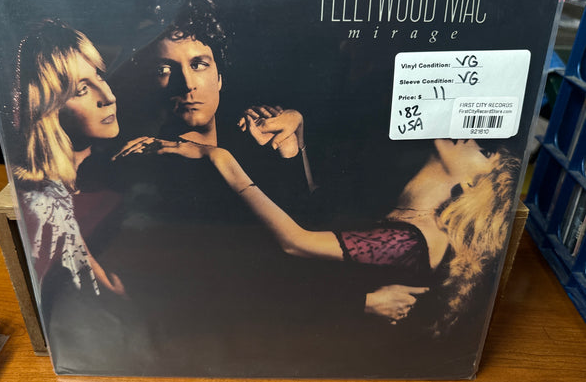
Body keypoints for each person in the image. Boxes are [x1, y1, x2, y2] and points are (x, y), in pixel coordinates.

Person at [117, 137, 520, 337]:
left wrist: (219, 157)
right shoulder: (410, 220)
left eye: (485, 149)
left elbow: (294, 241)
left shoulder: (413, 240)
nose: (471, 136)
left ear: (475, 184)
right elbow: (315, 220)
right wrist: (297, 141)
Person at [11, 19, 150, 374]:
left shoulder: (110, 179)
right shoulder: (42, 205)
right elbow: (116, 305)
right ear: (47, 107)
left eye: (100, 76)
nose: (108, 96)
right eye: (81, 89)